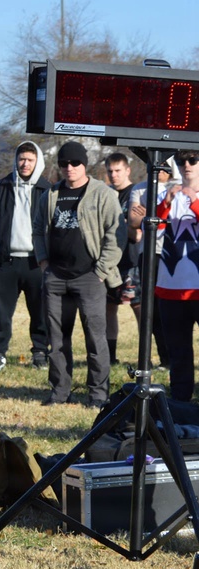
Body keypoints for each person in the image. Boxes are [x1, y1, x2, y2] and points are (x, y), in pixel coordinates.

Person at [33, 141, 122, 407]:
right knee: (57, 340)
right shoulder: (50, 194)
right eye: (63, 164)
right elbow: (38, 229)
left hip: (89, 277)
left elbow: (115, 235)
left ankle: (97, 395)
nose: (69, 168)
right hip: (56, 277)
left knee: (96, 339)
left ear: (85, 164)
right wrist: (43, 262)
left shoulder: (102, 194)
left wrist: (100, 271)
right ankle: (60, 392)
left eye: (74, 163)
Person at [127, 150, 199, 401]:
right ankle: (180, 406)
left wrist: (195, 202)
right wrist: (166, 203)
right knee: (178, 354)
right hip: (170, 288)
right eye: (181, 161)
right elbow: (148, 226)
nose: (186, 165)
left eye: (193, 159)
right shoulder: (168, 194)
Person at [0, 141, 51, 373]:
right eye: (21, 159)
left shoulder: (47, 190)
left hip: (36, 263)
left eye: (30, 160)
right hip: (5, 262)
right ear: (16, 160)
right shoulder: (0, 188)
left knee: (40, 312)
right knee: (2, 314)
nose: (25, 164)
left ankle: (40, 352)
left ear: (38, 162)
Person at [127, 156, 179, 371]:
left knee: (175, 308)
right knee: (153, 308)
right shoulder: (139, 189)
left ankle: (176, 357)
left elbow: (176, 218)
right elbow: (133, 220)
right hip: (148, 253)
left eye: (164, 166)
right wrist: (156, 214)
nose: (159, 170)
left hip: (174, 254)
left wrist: (149, 215)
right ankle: (164, 358)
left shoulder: (180, 188)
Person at [103, 152, 141, 366]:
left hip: (131, 260)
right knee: (108, 308)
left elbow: (137, 234)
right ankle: (110, 355)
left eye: (118, 171)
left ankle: (147, 356)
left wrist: (117, 224)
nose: (113, 175)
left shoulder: (136, 194)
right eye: (110, 171)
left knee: (138, 308)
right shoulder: (106, 194)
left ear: (127, 170)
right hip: (110, 261)